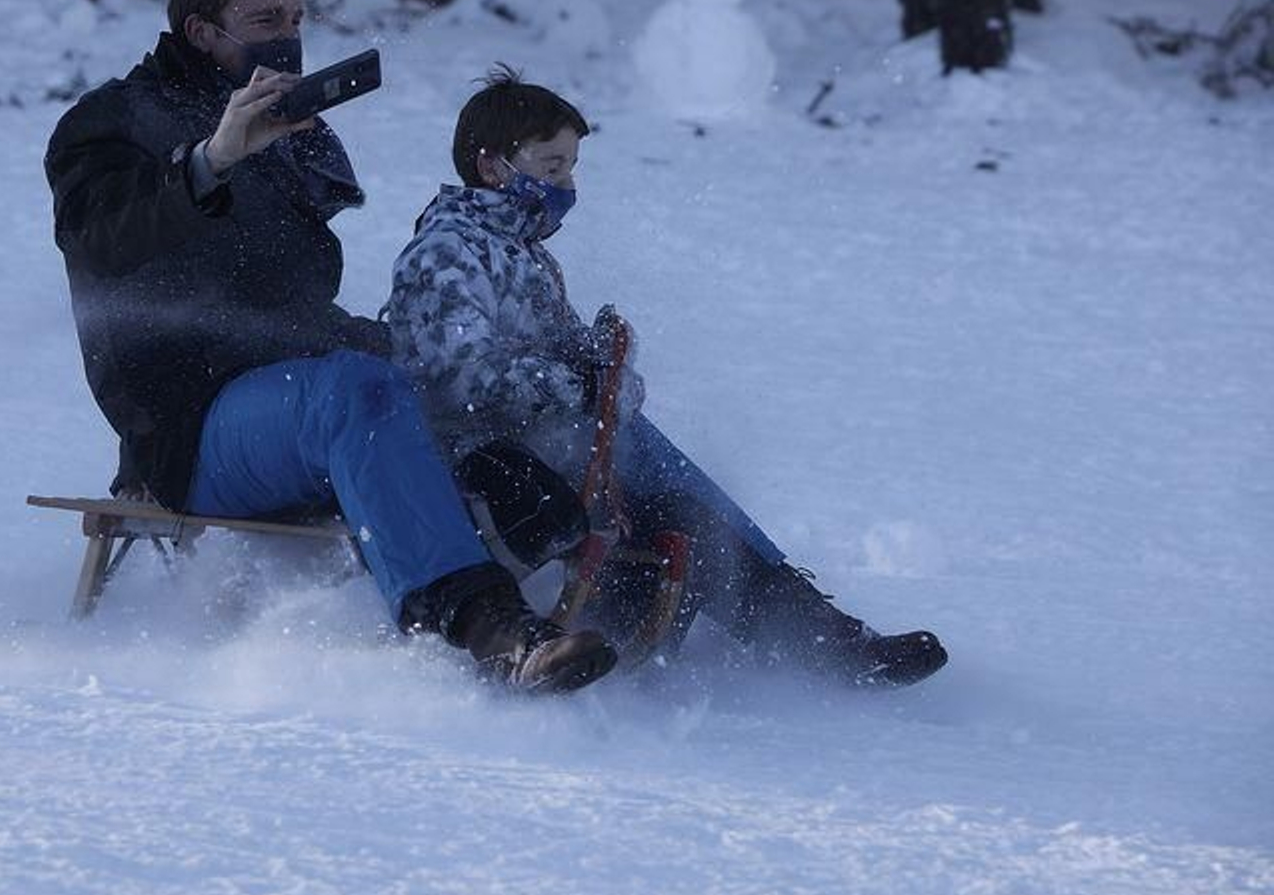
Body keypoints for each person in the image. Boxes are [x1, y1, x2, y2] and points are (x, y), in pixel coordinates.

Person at [42, 0, 615, 693]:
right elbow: (104, 237)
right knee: (355, 388)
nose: (288, 38)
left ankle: (758, 594)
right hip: (187, 423)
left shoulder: (281, 126)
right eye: (265, 21)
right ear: (203, 33)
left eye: (295, 19)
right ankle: (487, 625)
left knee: (463, 375)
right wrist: (215, 158)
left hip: (293, 390)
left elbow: (293, 297)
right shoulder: (111, 121)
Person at [387, 66, 948, 688]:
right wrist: (579, 387)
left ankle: (805, 632)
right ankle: (815, 632)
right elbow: (456, 380)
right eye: (551, 168)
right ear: (494, 168)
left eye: (571, 168)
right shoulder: (446, 251)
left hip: (550, 440)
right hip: (481, 457)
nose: (566, 184)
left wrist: (610, 377)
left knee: (678, 496)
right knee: (649, 455)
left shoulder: (530, 257)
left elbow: (579, 361)